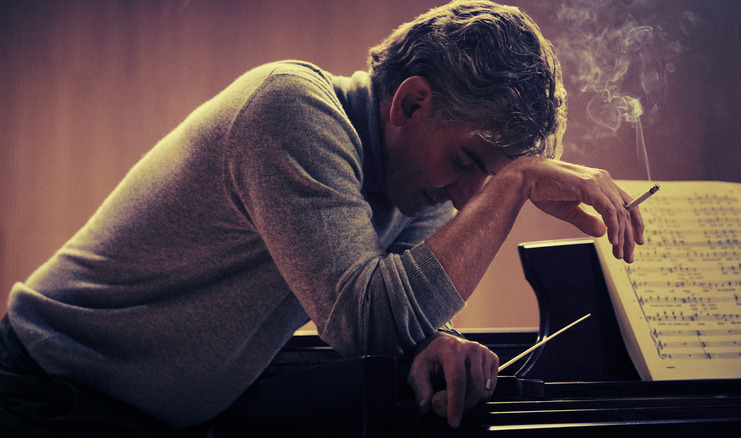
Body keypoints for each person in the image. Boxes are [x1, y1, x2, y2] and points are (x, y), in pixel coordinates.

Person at [0, 0, 644, 435]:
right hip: (47, 398)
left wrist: (435, 338)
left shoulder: (409, 184)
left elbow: (400, 307)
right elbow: (365, 319)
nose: (467, 197)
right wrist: (517, 182)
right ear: (411, 102)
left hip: (147, 416)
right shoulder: (291, 108)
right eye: (470, 160)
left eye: (492, 173)